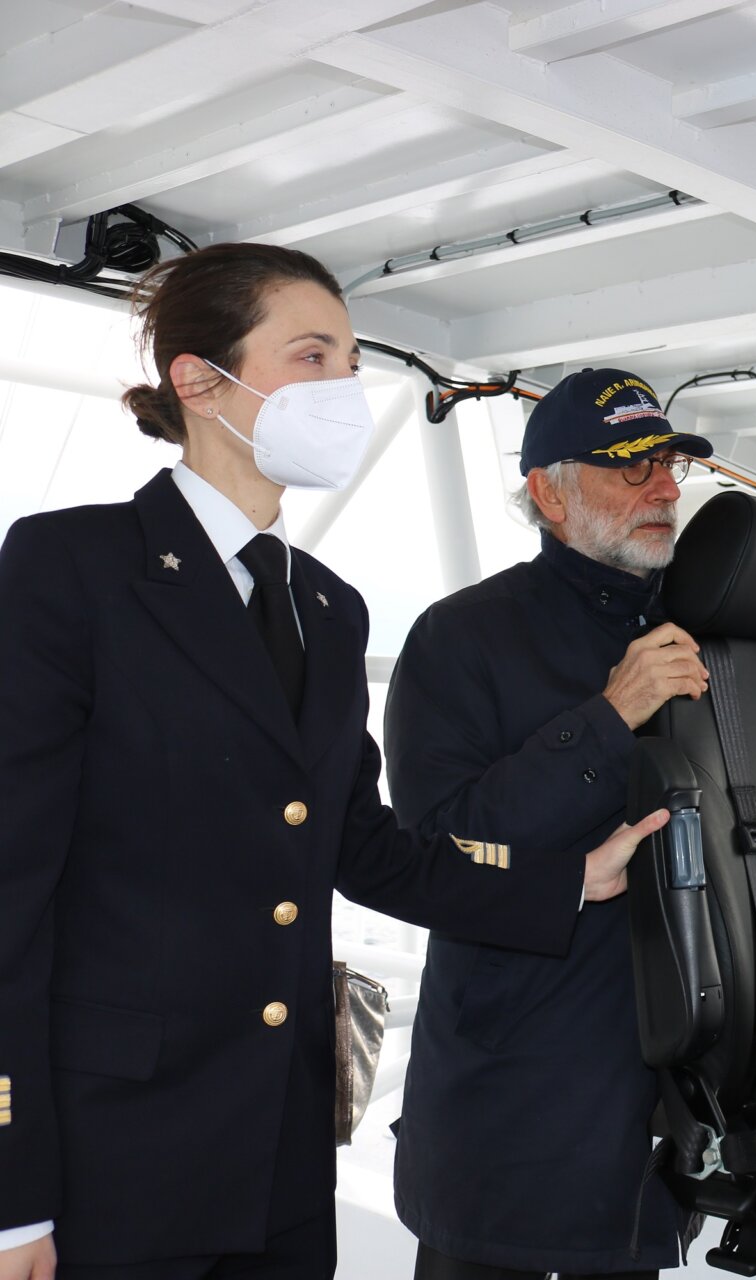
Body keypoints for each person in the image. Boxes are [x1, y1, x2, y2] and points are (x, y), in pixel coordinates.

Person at [0, 244, 658, 1280]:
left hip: (281, 1155)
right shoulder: (71, 569)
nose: (345, 388)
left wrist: (568, 878)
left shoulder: (325, 607)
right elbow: (10, 894)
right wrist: (10, 1192)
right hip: (115, 1158)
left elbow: (365, 845)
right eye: (314, 356)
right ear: (199, 379)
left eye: (353, 362)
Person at [385, 369, 712, 1280]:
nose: (664, 488)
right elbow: (434, 853)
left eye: (669, 465)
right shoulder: (459, 638)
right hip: (514, 1118)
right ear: (548, 492)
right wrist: (608, 719)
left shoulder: (704, 631)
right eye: (630, 468)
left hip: (653, 1119)